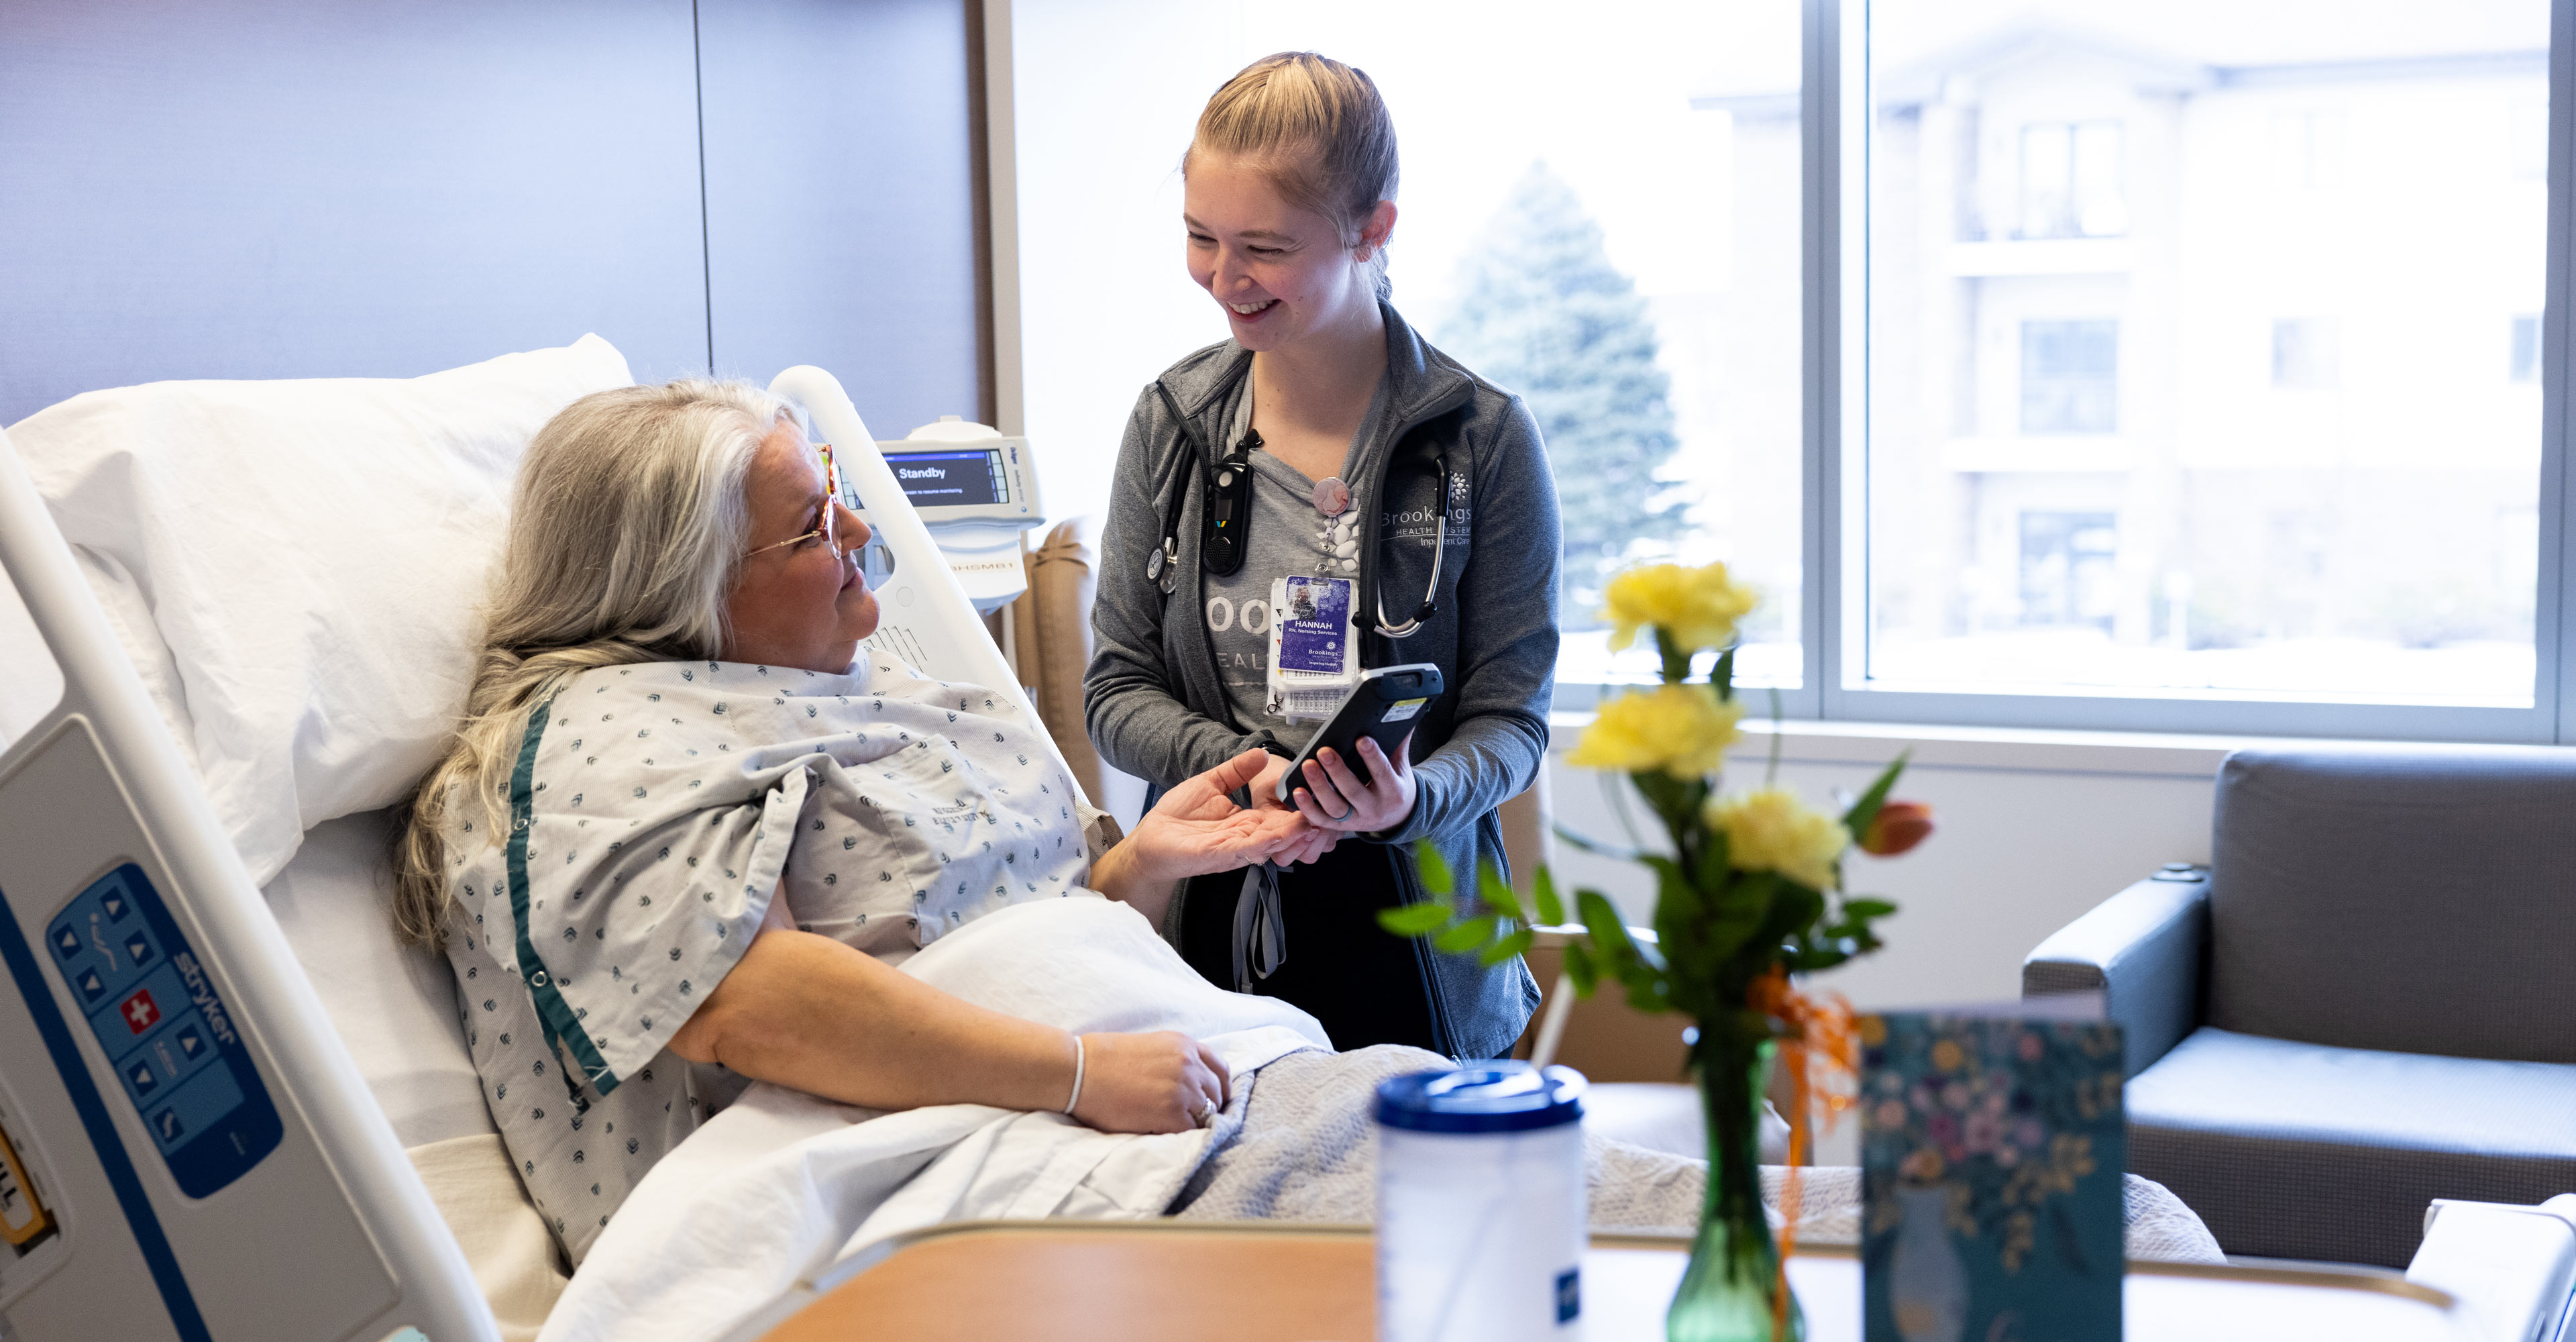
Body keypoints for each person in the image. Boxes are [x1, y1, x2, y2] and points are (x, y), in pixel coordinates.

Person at [392, 380, 1326, 1260]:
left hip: (1159, 1100)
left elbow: (1014, 932)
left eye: (835, 494)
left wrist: (1143, 871)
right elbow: (748, 1008)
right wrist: (1081, 1073)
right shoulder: (596, 744)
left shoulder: (847, 688)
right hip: (941, 1181)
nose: (859, 528)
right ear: (685, 585)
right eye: (810, 525)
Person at [1086, 52, 1562, 1060]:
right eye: (1199, 237)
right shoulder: (1174, 425)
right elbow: (1117, 689)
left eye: (1263, 246)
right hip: (1203, 943)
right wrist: (1244, 776)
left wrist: (1409, 798)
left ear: (1373, 229)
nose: (1223, 278)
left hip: (1421, 953)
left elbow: (1512, 720)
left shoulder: (1479, 440)